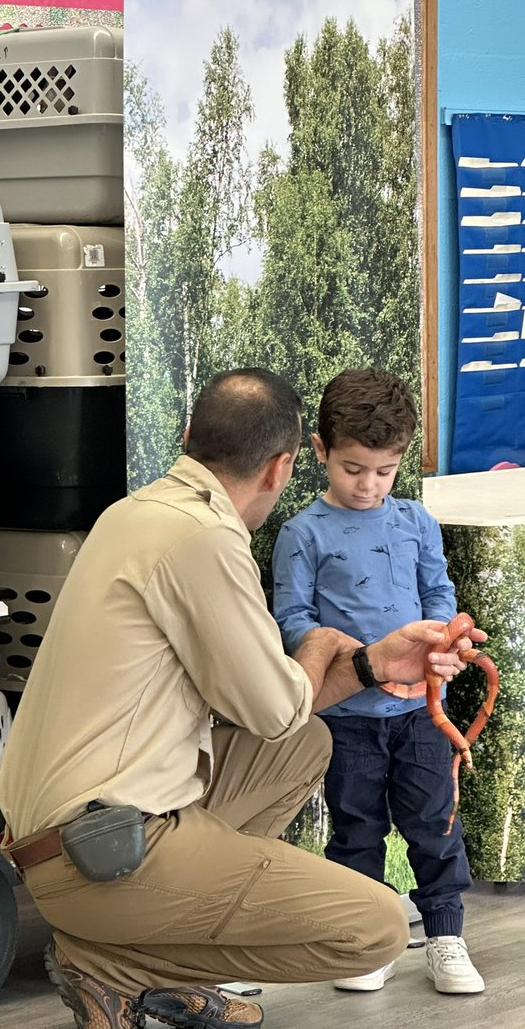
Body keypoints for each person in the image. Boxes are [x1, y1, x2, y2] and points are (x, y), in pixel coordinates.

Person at [0, 368, 485, 1029]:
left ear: (189, 436)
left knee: (304, 744)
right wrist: (319, 648)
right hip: (101, 849)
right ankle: (120, 965)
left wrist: (373, 664)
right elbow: (275, 707)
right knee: (376, 930)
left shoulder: (131, 513)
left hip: (54, 836)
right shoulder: (206, 538)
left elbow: (281, 716)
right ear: (284, 466)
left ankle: (132, 954)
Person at [273, 367, 484, 996]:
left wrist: (449, 642)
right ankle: (370, 942)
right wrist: (360, 657)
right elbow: (292, 622)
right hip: (345, 718)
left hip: (423, 712)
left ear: (402, 461)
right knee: (356, 830)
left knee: (435, 823)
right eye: (352, 469)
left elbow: (439, 595)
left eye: (384, 471)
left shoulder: (416, 521)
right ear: (319, 450)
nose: (368, 485)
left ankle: (445, 937)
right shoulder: (301, 533)